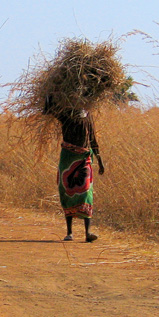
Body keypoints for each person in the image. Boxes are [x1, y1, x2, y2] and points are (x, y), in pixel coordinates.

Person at [44, 95, 104, 242]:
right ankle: (69, 232)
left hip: (84, 159)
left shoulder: (87, 116)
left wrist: (100, 161)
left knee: (86, 194)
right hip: (68, 159)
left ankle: (87, 233)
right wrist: (50, 93)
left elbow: (93, 140)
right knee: (67, 193)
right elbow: (46, 110)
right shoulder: (65, 114)